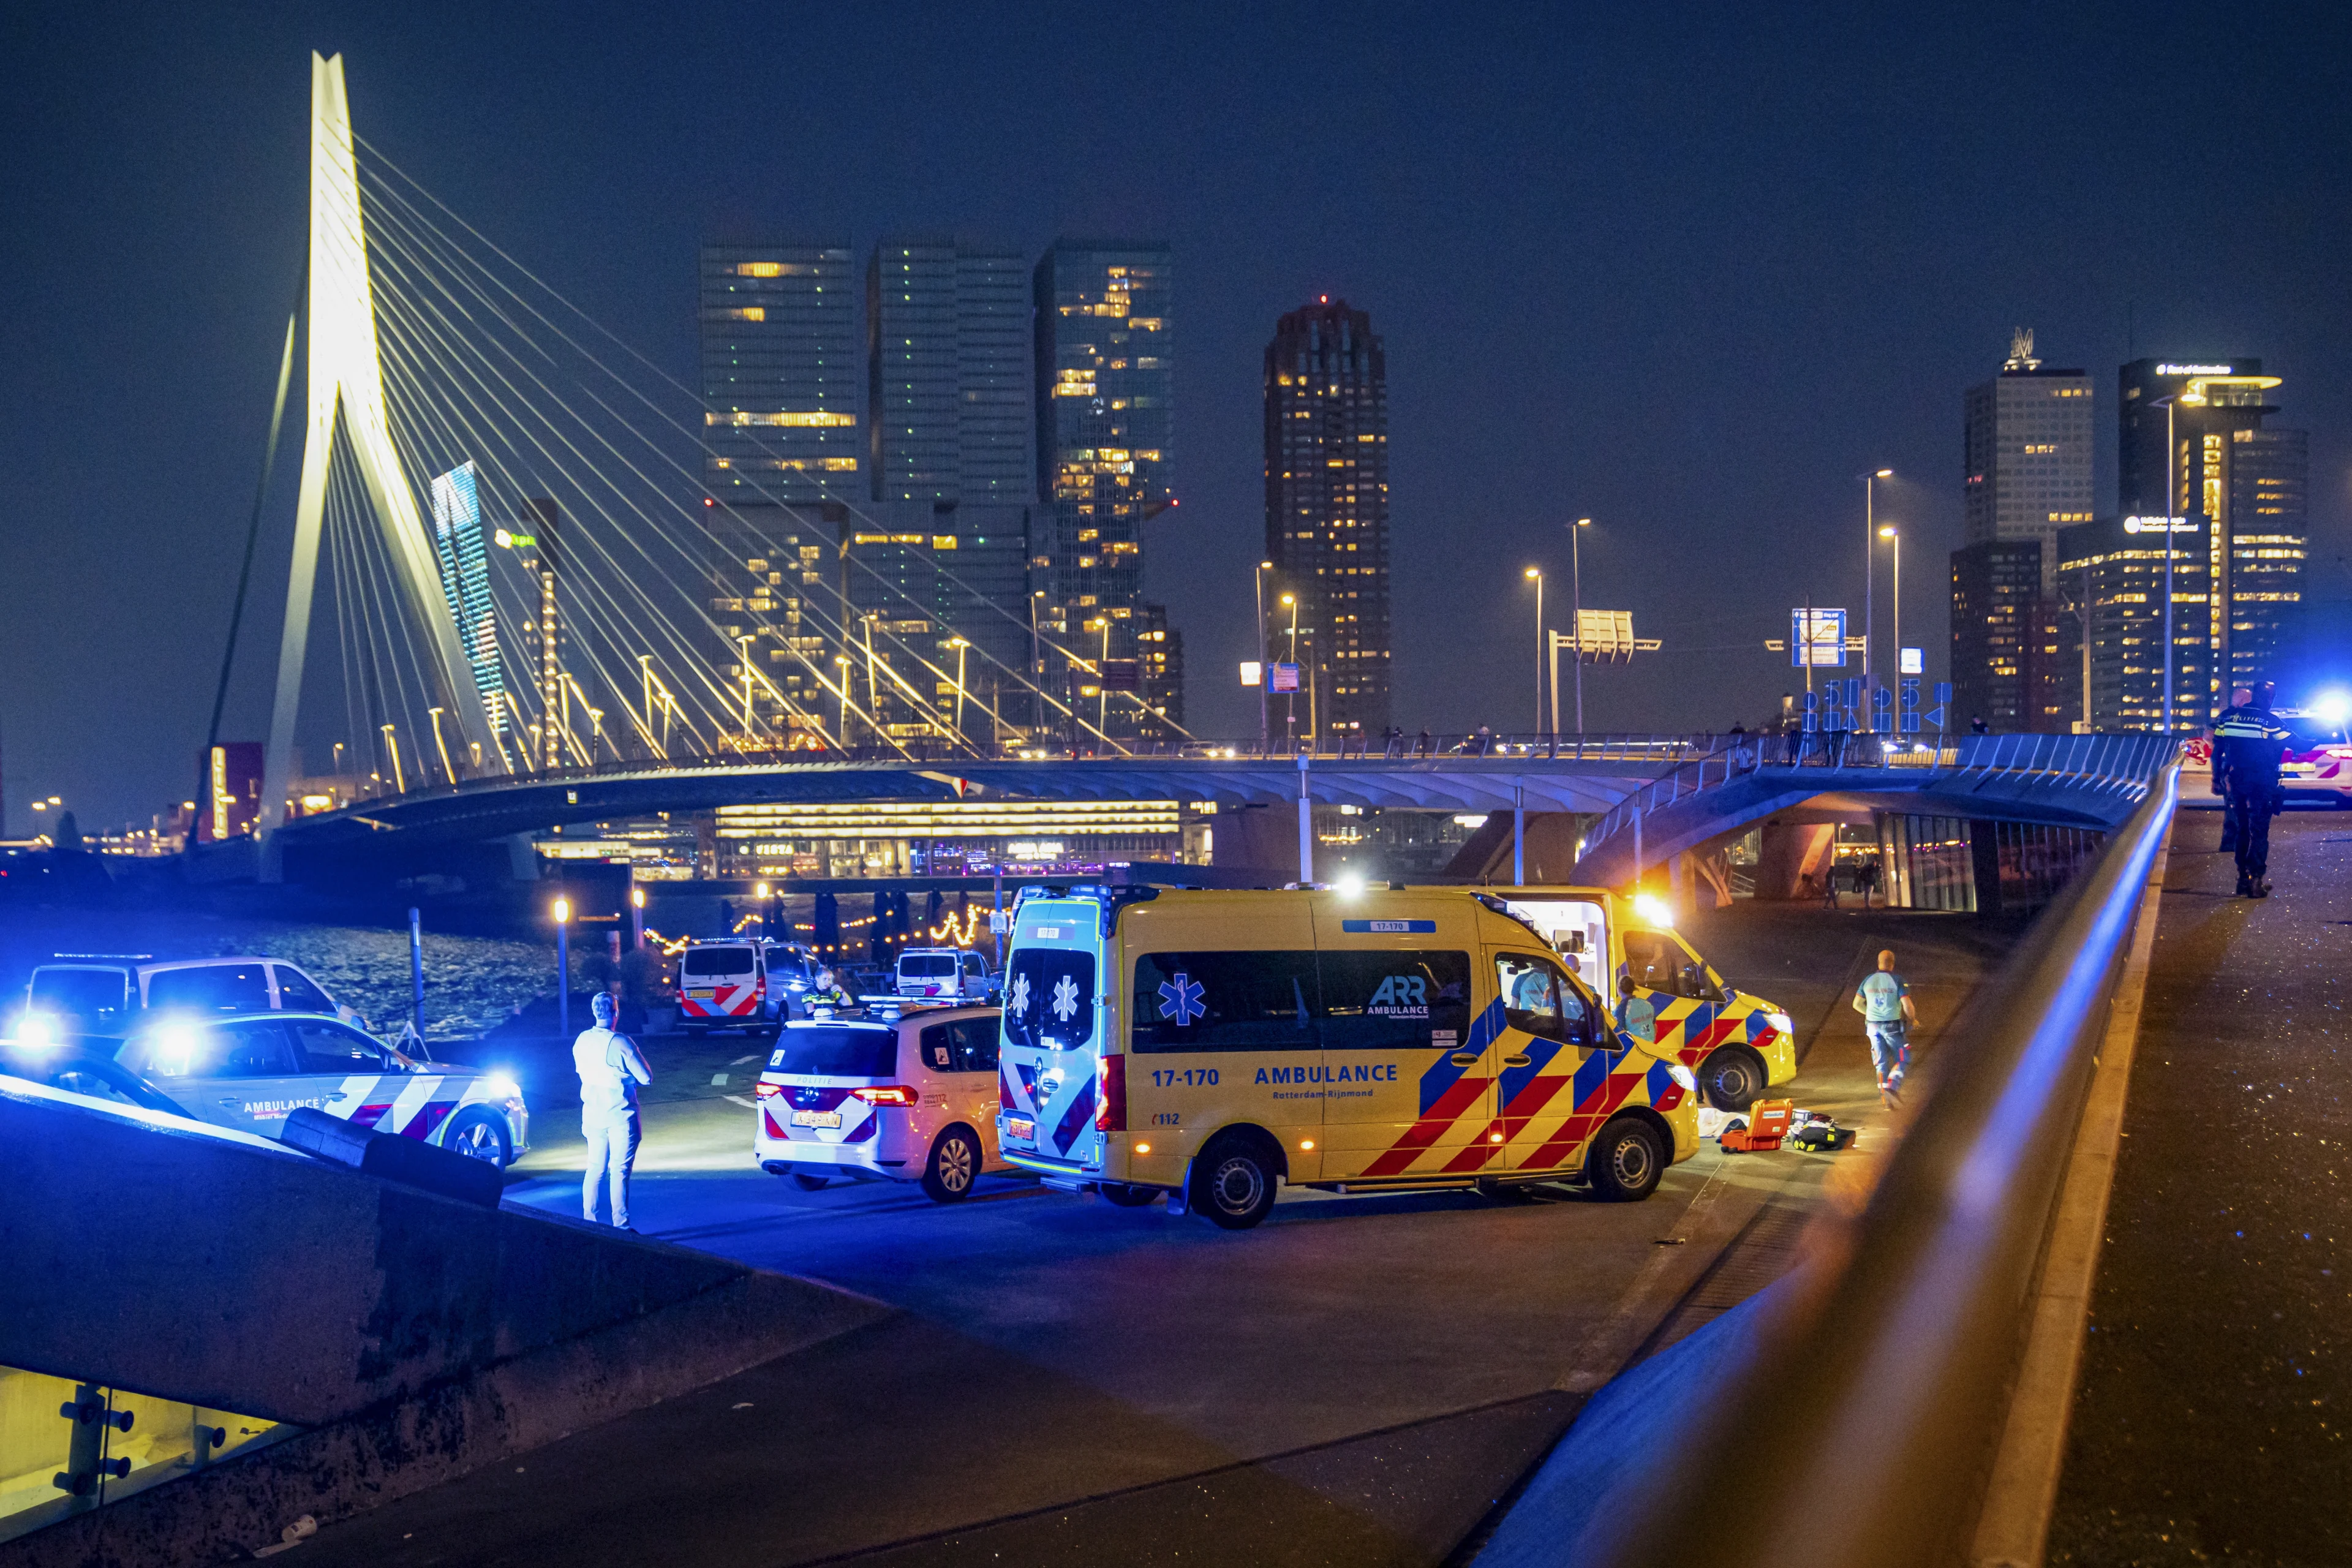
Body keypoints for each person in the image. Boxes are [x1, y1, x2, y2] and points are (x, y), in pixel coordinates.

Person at [574, 990, 652, 1231]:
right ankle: (621, 1224)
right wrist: (626, 1078)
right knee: (618, 1170)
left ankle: (590, 1221)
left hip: (592, 1113)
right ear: (616, 1012)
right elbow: (647, 1078)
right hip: (620, 1116)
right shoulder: (621, 1043)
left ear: (594, 1012)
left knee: (595, 1168)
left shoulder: (582, 1040)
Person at [2213, 680, 2293, 897]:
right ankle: (2256, 880)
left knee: (2242, 830)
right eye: (2271, 696)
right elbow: (2299, 743)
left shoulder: (2229, 718)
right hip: (2261, 782)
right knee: (2259, 832)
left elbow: (2217, 747)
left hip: (2237, 781)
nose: (2271, 700)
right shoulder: (2269, 721)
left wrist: (2216, 778)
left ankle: (2242, 879)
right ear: (2264, 697)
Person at [1852, 949, 1917, 1107]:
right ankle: (1893, 1086)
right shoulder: (1897, 980)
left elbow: (1856, 1004)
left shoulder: (1868, 980)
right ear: (1893, 964)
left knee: (1880, 1062)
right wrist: (1913, 1019)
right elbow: (1907, 1005)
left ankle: (1885, 1101)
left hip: (1872, 1027)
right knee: (1903, 1057)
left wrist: (1872, 1014)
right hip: (1892, 1026)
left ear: (1878, 963)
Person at [2214, 686, 2252, 853]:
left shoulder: (2223, 717)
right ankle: (2234, 842)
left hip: (2228, 768)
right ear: (2243, 701)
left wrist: (2215, 777)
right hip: (2236, 769)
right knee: (2237, 806)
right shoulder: (2245, 717)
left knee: (2233, 805)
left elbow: (2213, 745)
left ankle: (2232, 842)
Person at [1615, 972, 1657, 1046]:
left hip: (1635, 1049)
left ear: (1619, 989)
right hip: (1650, 1047)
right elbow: (1654, 1026)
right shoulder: (1646, 1004)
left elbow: (1617, 1032)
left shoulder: (1621, 1009)